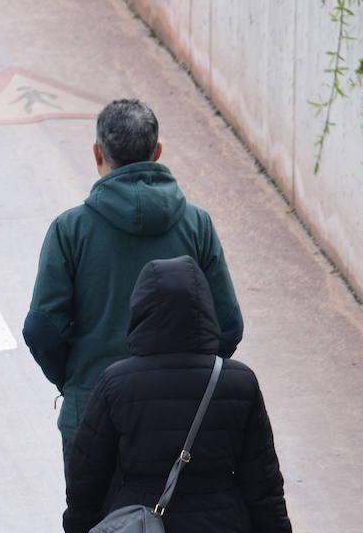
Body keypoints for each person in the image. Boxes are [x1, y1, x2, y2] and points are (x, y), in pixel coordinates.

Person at [63, 255, 291, 533]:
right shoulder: (236, 382)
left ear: (141, 312)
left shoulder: (116, 383)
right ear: (206, 311)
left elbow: (86, 475)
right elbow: (264, 485)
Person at [23, 98, 243, 458]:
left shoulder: (71, 230)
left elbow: (41, 330)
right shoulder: (197, 225)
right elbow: (228, 327)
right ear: (157, 152)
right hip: (182, 422)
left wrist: (79, 381)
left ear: (97, 153)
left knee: (95, 516)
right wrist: (190, 380)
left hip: (94, 417)